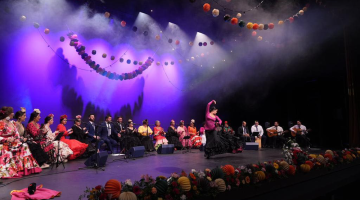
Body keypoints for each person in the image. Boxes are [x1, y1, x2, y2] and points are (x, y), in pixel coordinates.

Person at [0, 106, 42, 178]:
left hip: (14, 142)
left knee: (24, 146)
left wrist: (18, 139)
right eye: (11, 113)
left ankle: (25, 168)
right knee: (10, 149)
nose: (13, 114)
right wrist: (7, 139)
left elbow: (16, 134)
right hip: (5, 143)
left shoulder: (12, 123)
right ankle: (13, 168)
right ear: (8, 114)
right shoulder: (1, 123)